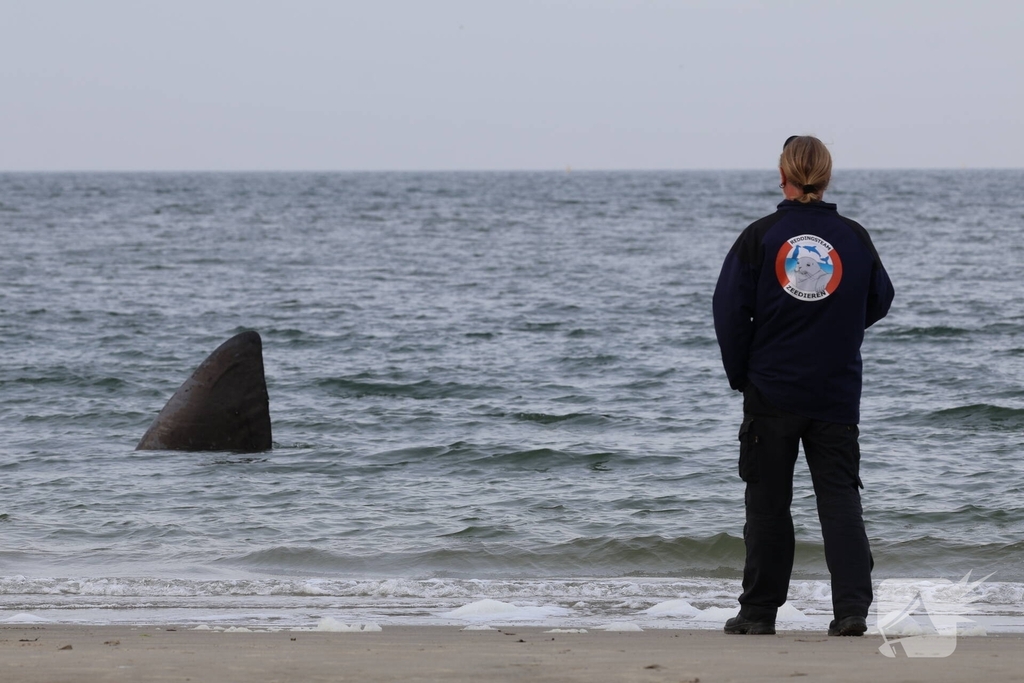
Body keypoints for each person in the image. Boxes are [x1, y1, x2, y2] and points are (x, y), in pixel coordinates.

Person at [712, 135, 894, 637]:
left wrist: (741, 372)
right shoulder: (853, 237)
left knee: (768, 503)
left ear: (783, 176)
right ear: (827, 177)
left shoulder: (761, 236)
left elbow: (729, 310)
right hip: (836, 390)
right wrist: (837, 329)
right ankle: (852, 611)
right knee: (839, 500)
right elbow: (880, 298)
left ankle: (758, 613)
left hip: (772, 389)